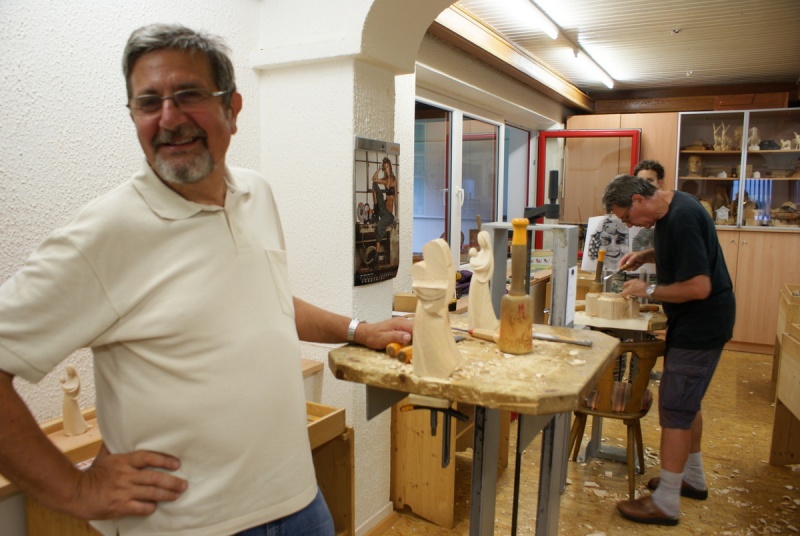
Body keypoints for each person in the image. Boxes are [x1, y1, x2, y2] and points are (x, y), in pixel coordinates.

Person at [0, 24, 413, 536]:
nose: (169, 118)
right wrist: (77, 490)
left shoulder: (255, 194)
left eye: (189, 95)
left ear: (232, 109)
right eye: (148, 102)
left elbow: (266, 301)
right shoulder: (106, 233)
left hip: (300, 503)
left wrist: (358, 330)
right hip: (189, 525)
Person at [601, 174, 735, 526]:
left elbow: (699, 286)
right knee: (687, 403)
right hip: (697, 322)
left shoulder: (683, 218)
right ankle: (692, 478)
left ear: (638, 200)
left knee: (675, 409)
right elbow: (684, 252)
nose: (631, 225)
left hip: (701, 325)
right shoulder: (674, 208)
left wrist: (647, 290)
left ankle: (666, 504)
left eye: (628, 218)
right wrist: (646, 255)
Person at [370, 157, 397, 257]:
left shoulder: (394, 181)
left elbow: (395, 200)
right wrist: (379, 169)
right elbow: (374, 179)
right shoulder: (385, 181)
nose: (387, 169)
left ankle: (376, 256)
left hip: (389, 215)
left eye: (387, 167)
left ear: (390, 167)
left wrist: (396, 216)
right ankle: (376, 212)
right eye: (385, 167)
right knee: (374, 185)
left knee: (379, 226)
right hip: (383, 210)